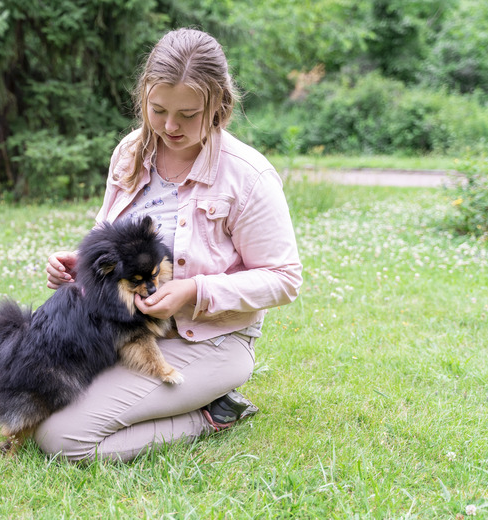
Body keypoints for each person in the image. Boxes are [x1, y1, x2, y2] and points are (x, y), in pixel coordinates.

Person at [37, 28, 302, 462]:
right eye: (158, 110)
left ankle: (216, 413)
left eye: (189, 114)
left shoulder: (247, 176)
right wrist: (82, 264)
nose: (170, 127)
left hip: (211, 342)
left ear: (219, 104)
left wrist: (194, 291)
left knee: (64, 440)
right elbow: (110, 243)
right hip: (128, 333)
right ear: (144, 95)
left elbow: (285, 280)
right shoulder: (130, 153)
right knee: (40, 400)